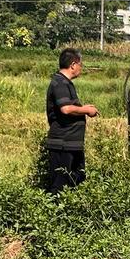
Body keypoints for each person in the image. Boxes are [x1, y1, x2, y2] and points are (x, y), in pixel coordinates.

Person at [45, 48, 99, 194]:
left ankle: (70, 213)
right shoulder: (60, 83)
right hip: (63, 143)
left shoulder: (65, 83)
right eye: (80, 64)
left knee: (77, 179)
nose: (81, 68)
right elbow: (66, 109)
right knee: (59, 185)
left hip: (72, 144)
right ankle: (53, 213)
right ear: (73, 64)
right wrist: (86, 110)